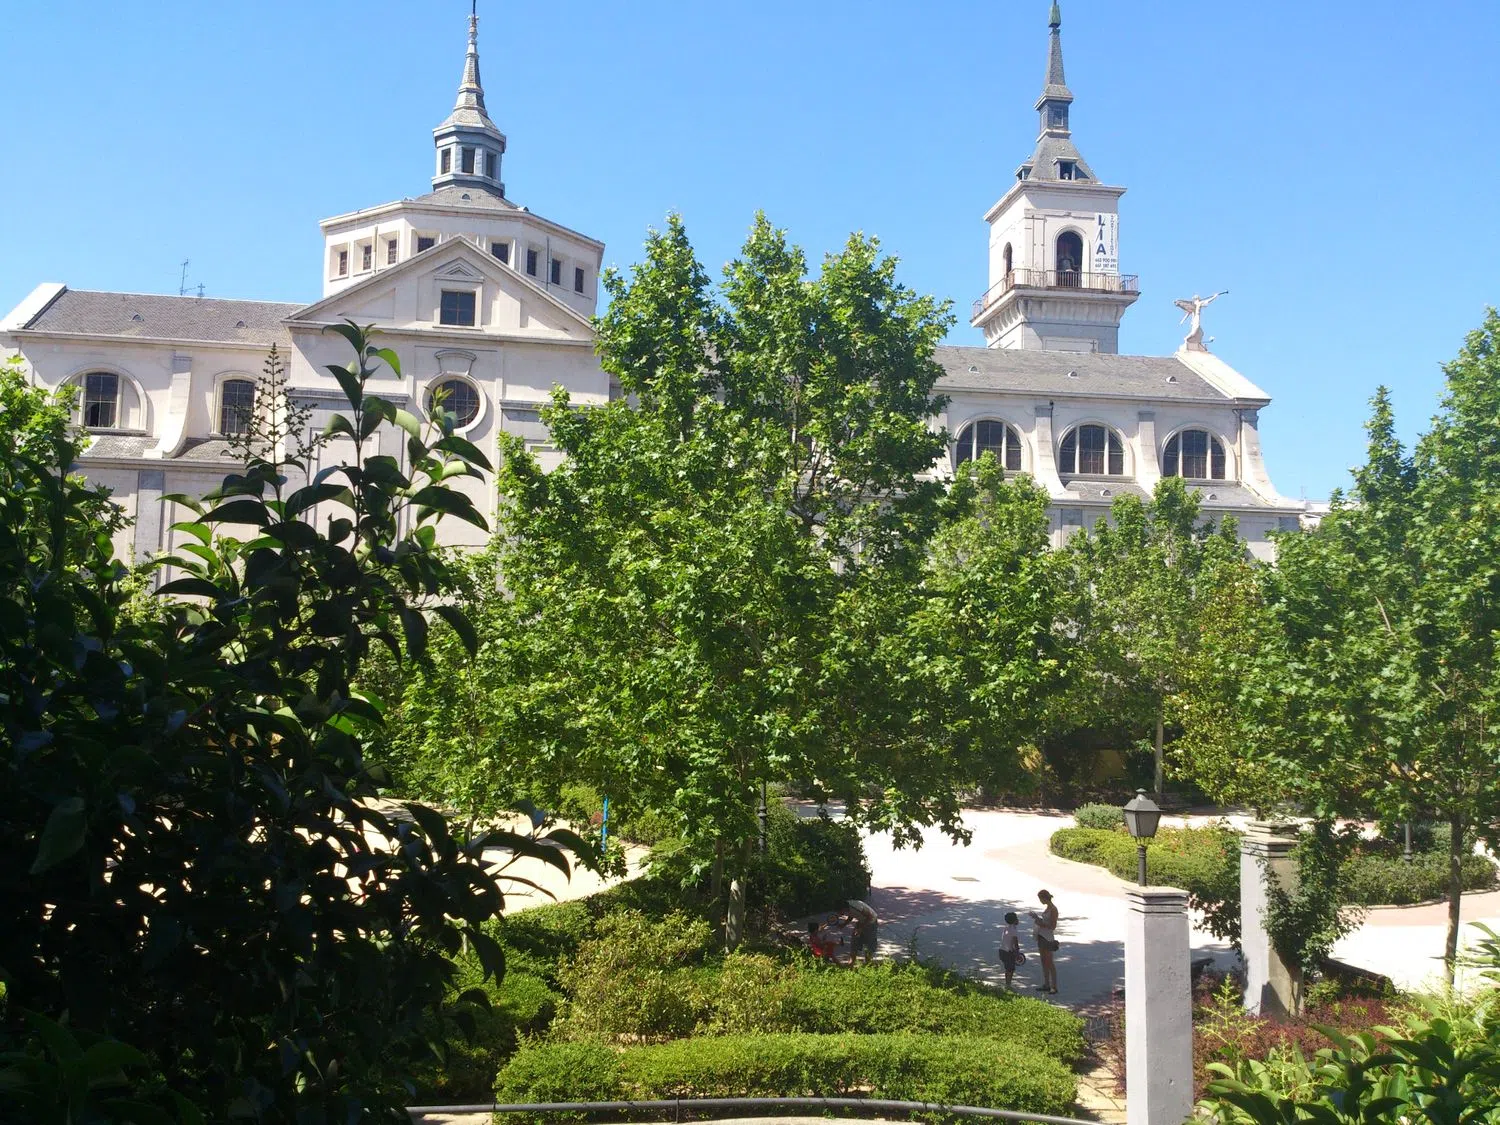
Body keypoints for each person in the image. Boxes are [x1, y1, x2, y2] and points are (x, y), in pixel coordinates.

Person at [1029, 889, 1059, 994]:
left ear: (1044, 898)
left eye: (1040, 899)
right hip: (1041, 936)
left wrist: (1041, 923)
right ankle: (1046, 984)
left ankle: (1054, 986)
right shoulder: (1047, 908)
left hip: (1048, 938)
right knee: (1043, 961)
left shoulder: (1053, 909)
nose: (1040, 901)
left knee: (1049, 962)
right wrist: (1037, 919)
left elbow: (1052, 926)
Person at [846, 898, 878, 966]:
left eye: (840, 912)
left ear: (843, 908)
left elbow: (869, 917)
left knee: (869, 943)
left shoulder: (856, 907)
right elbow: (851, 914)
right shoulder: (848, 906)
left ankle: (868, 963)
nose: (839, 914)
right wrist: (844, 924)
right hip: (861, 922)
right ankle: (851, 963)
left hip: (871, 922)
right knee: (854, 940)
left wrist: (860, 928)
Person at [997, 911, 1023, 988]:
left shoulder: (1006, 928)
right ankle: (1008, 984)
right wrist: (1017, 951)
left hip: (1002, 950)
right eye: (1017, 919)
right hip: (1008, 952)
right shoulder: (1013, 929)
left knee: (1008, 968)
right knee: (1010, 969)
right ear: (1015, 921)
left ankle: (1007, 982)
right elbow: (1015, 941)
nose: (1018, 920)